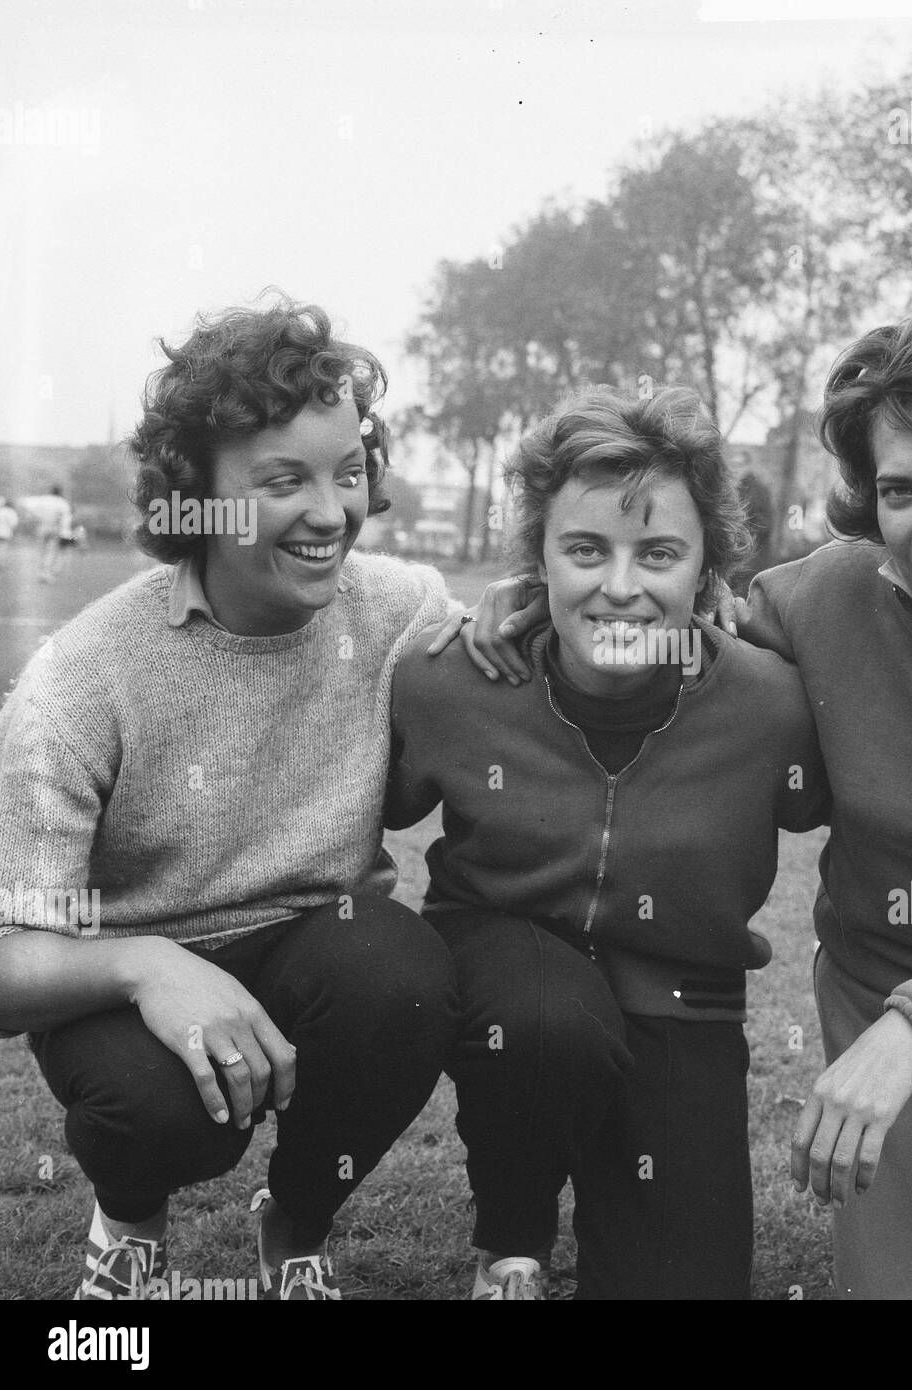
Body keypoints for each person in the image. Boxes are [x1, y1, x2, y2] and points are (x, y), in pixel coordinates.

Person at [444, 314, 912, 1300]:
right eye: (899, 491)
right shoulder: (823, 596)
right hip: (880, 973)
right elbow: (680, 625)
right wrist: (545, 587)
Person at [0, 298, 458, 1301]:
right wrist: (144, 965)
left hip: (313, 943)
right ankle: (128, 1236)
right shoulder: (79, 681)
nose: (332, 512)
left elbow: (533, 661)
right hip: (118, 985)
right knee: (148, 1107)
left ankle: (291, 1237)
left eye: (349, 470)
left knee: (403, 977)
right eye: (284, 480)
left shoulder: (404, 611)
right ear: (193, 492)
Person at [388, 385, 828, 1299]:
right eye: (584, 549)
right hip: (512, 962)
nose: (619, 586)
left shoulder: (769, 703)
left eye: (658, 553)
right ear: (537, 558)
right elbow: (360, 818)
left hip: (681, 1001)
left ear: (707, 568)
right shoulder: (451, 680)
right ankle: (509, 1242)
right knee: (548, 1026)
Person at [23, 483, 72, 582]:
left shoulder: (43, 500)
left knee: (41, 550)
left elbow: (31, 510)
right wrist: (64, 531)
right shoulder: (62, 502)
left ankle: (41, 572)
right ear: (60, 492)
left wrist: (37, 519)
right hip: (54, 528)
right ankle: (46, 573)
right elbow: (65, 519)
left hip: (42, 527)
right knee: (50, 550)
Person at [0, 494, 18, 570]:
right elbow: (14, 524)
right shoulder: (11, 512)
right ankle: (1, 564)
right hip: (6, 533)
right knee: (2, 549)